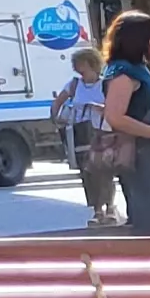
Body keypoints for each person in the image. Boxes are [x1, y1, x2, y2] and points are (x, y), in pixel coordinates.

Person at [97, 12, 150, 237]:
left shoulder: (135, 68)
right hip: (142, 154)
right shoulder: (123, 72)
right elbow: (115, 116)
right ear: (139, 39)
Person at [54, 47, 121, 227]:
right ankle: (96, 210)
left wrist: (100, 108)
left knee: (104, 170)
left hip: (103, 131)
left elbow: (116, 106)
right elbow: (58, 102)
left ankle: (109, 208)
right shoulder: (74, 84)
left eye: (80, 63)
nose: (76, 67)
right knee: (88, 173)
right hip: (81, 132)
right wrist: (56, 118)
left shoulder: (105, 84)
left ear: (91, 64)